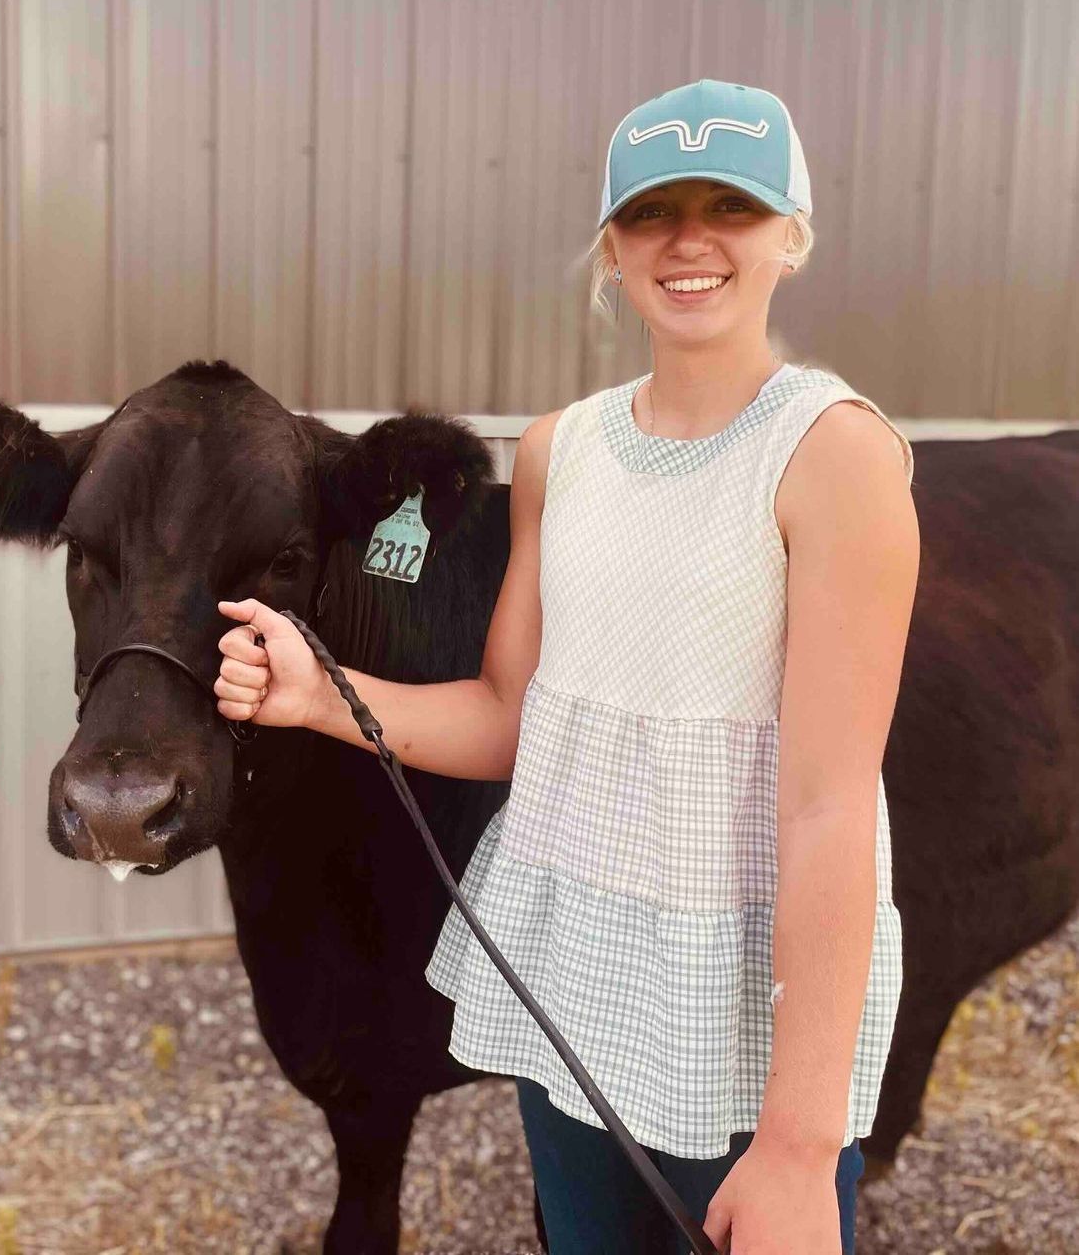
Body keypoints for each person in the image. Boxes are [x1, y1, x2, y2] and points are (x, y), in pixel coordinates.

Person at [213, 78, 920, 1254]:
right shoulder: (561, 450)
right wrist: (317, 694)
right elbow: (507, 717)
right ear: (611, 245)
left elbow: (829, 806)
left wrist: (796, 1141)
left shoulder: (830, 452)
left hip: (733, 1005)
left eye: (729, 206)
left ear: (789, 236)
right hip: (570, 973)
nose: (689, 240)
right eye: (653, 211)